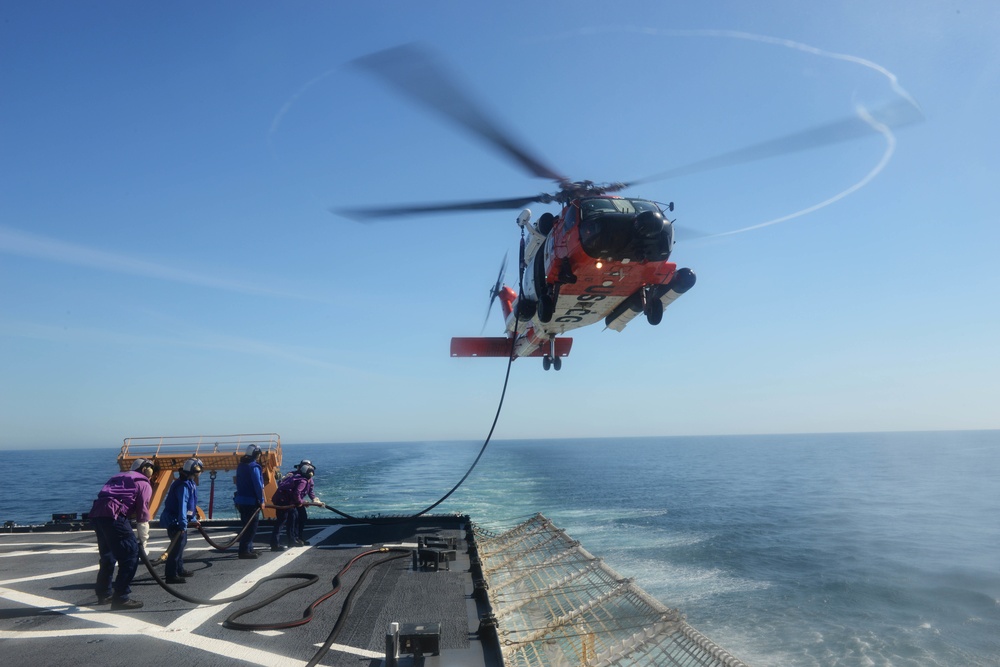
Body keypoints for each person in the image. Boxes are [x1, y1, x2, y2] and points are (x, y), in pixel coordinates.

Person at [89, 458, 155, 611]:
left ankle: (104, 594)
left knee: (108, 556)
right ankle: (121, 597)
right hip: (115, 517)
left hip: (97, 514)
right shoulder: (144, 483)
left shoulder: (117, 477)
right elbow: (143, 515)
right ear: (147, 470)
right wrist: (143, 541)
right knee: (131, 555)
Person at [158, 458, 203, 584]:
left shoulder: (188, 483)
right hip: (175, 521)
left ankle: (179, 568)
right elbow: (182, 506)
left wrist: (192, 519)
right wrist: (183, 523)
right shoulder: (183, 486)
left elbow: (189, 506)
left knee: (181, 545)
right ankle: (171, 575)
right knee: (176, 547)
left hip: (179, 520)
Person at [269, 462, 315, 551]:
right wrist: (301, 501)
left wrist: (311, 499)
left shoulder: (295, 477)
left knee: (292, 519)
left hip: (285, 501)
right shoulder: (303, 480)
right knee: (282, 521)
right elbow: (297, 493)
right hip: (285, 502)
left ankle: (292, 540)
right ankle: (275, 544)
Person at [233, 444, 265, 559]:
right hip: (251, 502)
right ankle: (244, 551)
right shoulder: (254, 467)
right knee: (251, 527)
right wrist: (261, 500)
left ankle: (249, 548)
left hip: (241, 500)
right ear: (256, 454)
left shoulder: (241, 466)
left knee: (245, 525)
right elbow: (257, 485)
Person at [293, 459, 320, 544]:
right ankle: (294, 539)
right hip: (291, 502)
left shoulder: (308, 478)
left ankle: (299, 537)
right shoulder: (294, 476)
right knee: (294, 520)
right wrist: (302, 501)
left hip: (298, 502)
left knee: (302, 518)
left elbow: (310, 491)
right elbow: (296, 492)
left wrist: (314, 499)